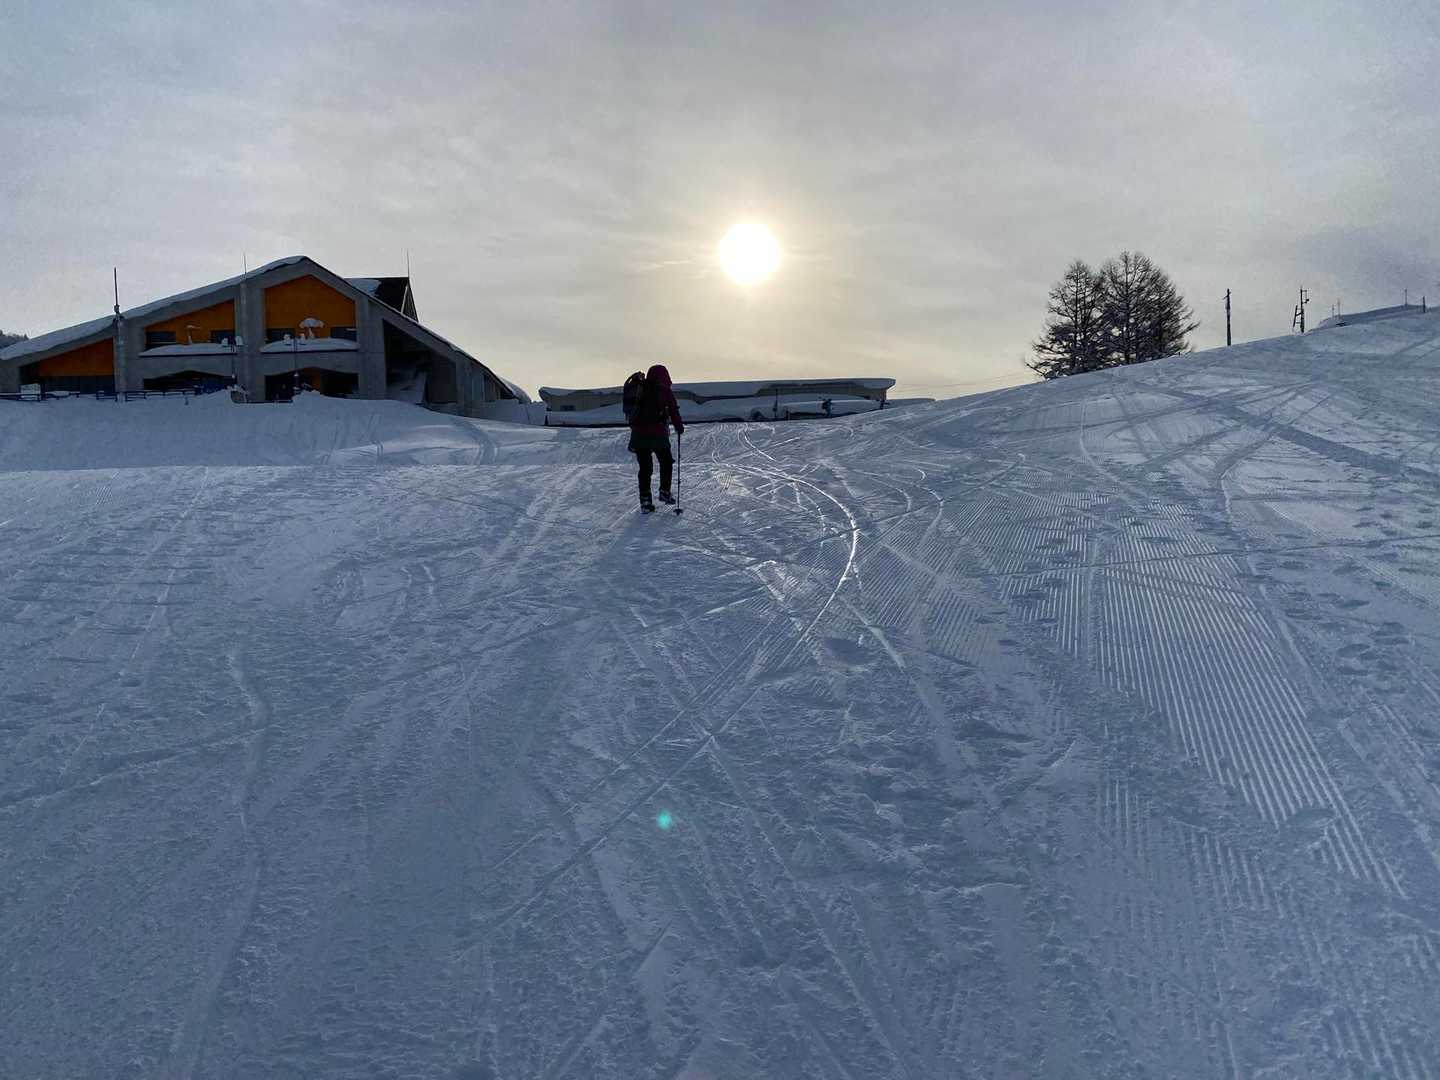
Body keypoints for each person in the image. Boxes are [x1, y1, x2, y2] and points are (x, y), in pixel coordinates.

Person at [627, 363, 684, 512]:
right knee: (666, 462)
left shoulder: (640, 388)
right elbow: (673, 410)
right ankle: (664, 491)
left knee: (645, 468)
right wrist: (679, 427)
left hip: (639, 435)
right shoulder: (664, 390)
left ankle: (645, 501)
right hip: (658, 434)